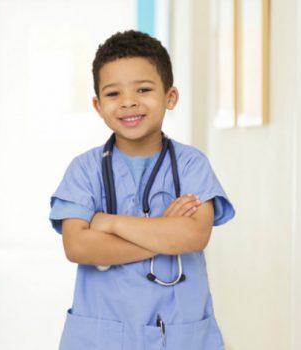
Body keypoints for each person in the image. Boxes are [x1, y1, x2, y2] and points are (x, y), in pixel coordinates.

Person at [49, 30, 236, 349]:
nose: (129, 103)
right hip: (103, 335)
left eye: (144, 89)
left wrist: (109, 223)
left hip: (179, 332)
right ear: (97, 104)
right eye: (113, 94)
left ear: (170, 96)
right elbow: (78, 246)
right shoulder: (84, 169)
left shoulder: (192, 165)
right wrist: (165, 233)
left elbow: (193, 236)